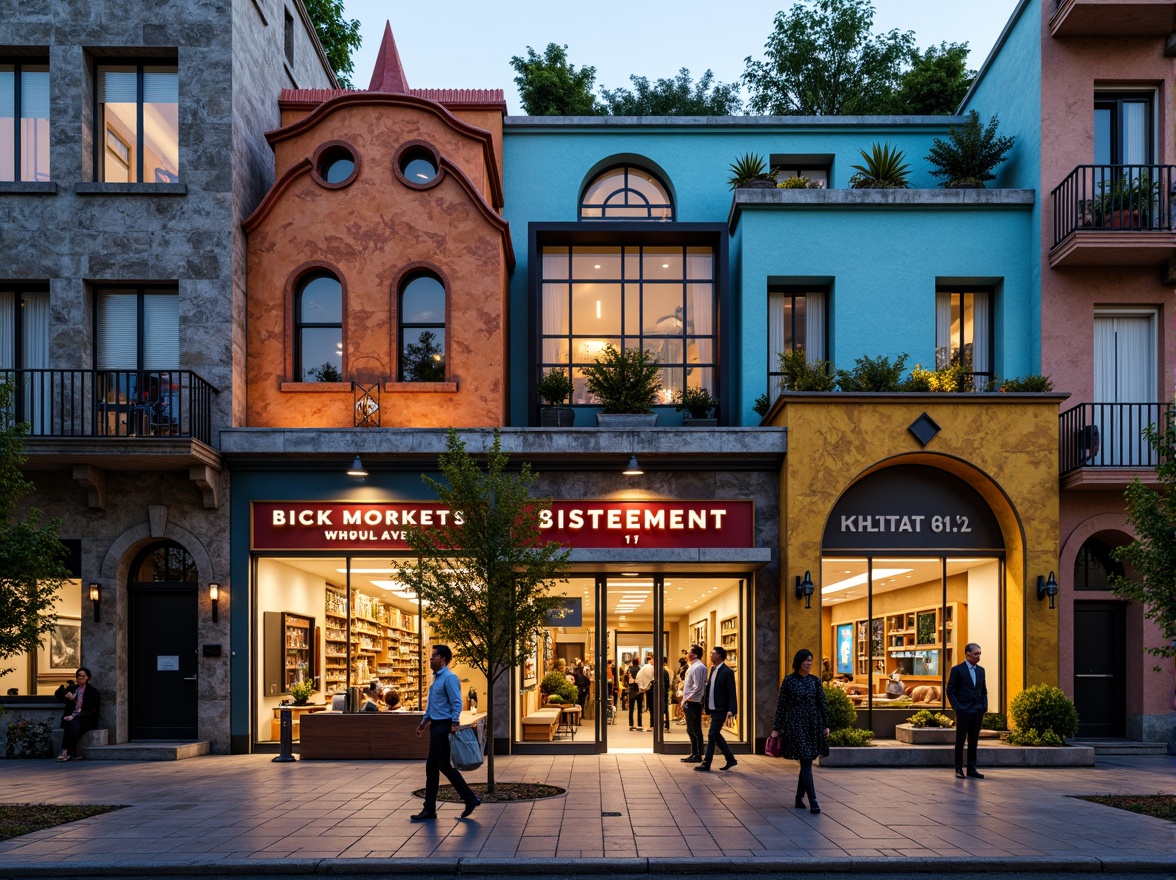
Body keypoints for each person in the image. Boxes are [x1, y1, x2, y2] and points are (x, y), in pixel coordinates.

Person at [411, 645, 480, 821]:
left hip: (443, 726)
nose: (430, 659)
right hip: (436, 725)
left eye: (433, 656)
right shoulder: (436, 679)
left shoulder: (449, 678)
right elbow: (434, 704)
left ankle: (430, 809)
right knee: (441, 765)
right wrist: (424, 722)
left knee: (433, 767)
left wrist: (454, 723)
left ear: (443, 659)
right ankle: (469, 798)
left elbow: (456, 702)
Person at [769, 648, 830, 814]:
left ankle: (798, 797)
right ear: (798, 662)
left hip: (813, 723)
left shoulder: (815, 681)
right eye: (806, 660)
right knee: (805, 758)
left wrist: (826, 724)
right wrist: (776, 728)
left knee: (807, 760)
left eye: (811, 660)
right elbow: (782, 705)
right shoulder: (789, 681)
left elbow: (822, 703)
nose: (809, 663)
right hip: (795, 723)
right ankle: (814, 801)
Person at [947, 642, 987, 780]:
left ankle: (972, 768)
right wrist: (957, 707)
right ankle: (959, 768)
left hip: (977, 710)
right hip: (963, 710)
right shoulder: (957, 670)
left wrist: (983, 707)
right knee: (960, 740)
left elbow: (984, 690)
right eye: (976, 654)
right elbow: (950, 690)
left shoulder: (981, 670)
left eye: (980, 654)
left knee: (973, 740)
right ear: (968, 654)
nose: (979, 657)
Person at [696, 646, 737, 772]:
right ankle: (730, 759)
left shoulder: (727, 672)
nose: (710, 655)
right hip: (712, 707)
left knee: (712, 734)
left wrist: (732, 709)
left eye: (712, 653)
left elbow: (731, 692)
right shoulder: (713, 669)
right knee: (715, 735)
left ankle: (706, 763)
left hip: (721, 708)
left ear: (719, 655)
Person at [55, 667, 100, 762]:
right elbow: (58, 694)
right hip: (73, 716)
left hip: (86, 718)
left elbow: (94, 710)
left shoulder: (93, 692)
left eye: (83, 676)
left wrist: (75, 716)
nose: (80, 678)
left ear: (88, 678)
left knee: (73, 723)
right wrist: (66, 695)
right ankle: (68, 753)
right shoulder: (73, 689)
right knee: (69, 723)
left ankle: (67, 752)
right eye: (78, 676)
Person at [680, 644, 707, 762]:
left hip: (693, 702)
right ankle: (695, 752)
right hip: (690, 701)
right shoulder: (693, 666)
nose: (687, 654)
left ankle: (697, 754)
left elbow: (698, 687)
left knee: (693, 728)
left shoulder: (699, 667)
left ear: (694, 654)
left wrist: (686, 698)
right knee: (692, 728)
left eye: (689, 652)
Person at [635, 654, 655, 731]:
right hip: (651, 689)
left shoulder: (644, 668)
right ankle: (652, 725)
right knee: (652, 708)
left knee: (651, 708)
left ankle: (652, 725)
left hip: (647, 689)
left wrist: (642, 686)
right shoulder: (651, 668)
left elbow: (638, 677)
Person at [625, 657, 643, 729]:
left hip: (632, 689)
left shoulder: (629, 669)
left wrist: (629, 684)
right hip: (639, 689)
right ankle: (639, 723)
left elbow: (626, 678)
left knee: (631, 708)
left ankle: (631, 724)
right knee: (639, 708)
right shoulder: (640, 670)